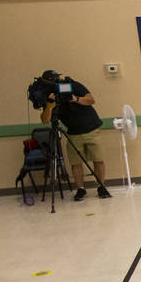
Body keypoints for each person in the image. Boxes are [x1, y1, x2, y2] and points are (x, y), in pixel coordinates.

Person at [38, 70, 109, 200]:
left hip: (91, 129)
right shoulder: (49, 96)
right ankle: (81, 189)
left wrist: (75, 98)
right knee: (75, 163)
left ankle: (101, 186)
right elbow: (45, 120)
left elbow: (91, 100)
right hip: (73, 132)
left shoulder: (73, 86)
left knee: (98, 159)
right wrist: (49, 105)